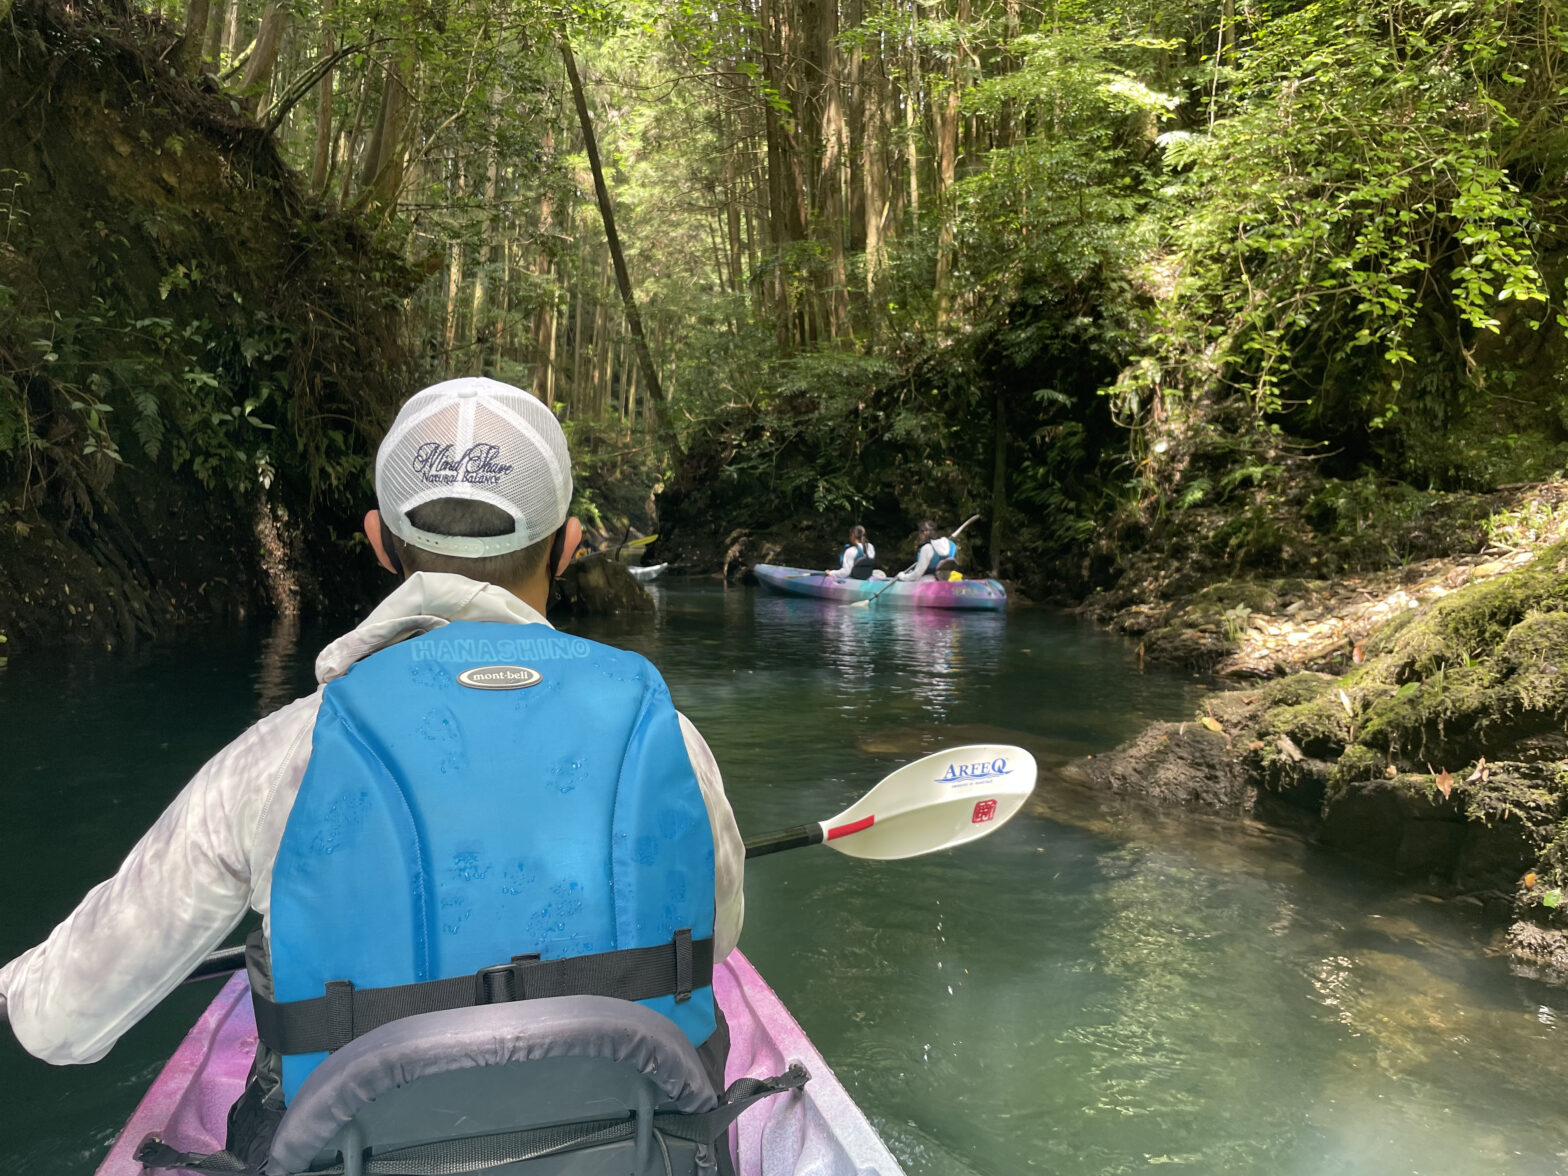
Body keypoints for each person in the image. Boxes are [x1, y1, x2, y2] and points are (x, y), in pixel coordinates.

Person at [0, 377, 744, 1164]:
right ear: (568, 545)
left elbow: (59, 1023)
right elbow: (717, 940)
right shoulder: (669, 738)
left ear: (380, 543)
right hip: (639, 1151)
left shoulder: (278, 759)